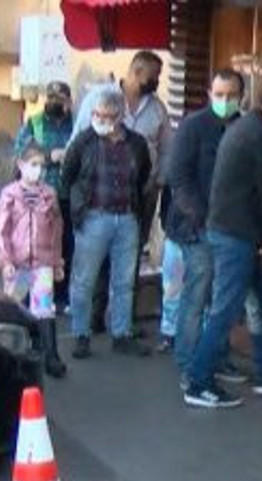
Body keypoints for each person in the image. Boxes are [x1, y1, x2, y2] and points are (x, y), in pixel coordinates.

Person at [182, 76, 262, 408]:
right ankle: (198, 380)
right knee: (226, 309)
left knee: (259, 303)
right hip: (236, 235)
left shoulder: (243, 129)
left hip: (234, 231)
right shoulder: (258, 136)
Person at [165, 68, 256, 389]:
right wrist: (201, 218)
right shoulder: (194, 126)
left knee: (223, 300)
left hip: (230, 227)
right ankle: (189, 359)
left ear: (241, 96)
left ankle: (217, 357)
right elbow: (179, 177)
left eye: (231, 95)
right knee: (197, 294)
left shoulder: (244, 128)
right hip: (197, 226)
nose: (224, 100)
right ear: (209, 93)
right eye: (219, 94)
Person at [75, 51, 171, 335]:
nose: (157, 81)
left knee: (128, 259)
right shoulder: (99, 98)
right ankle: (94, 317)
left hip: (139, 196)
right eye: (154, 76)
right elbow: (78, 142)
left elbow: (166, 149)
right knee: (95, 260)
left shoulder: (157, 109)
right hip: (98, 197)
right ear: (137, 72)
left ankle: (122, 323)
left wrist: (158, 180)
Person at [59, 88, 152, 359]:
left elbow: (143, 176)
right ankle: (81, 334)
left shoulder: (136, 144)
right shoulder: (84, 142)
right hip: (92, 217)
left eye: (107, 115)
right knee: (83, 280)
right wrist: (77, 212)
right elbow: (68, 178)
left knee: (124, 281)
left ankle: (121, 333)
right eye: (97, 114)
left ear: (120, 116)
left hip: (126, 217)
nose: (101, 120)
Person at [0, 143, 66, 378]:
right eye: (33, 165)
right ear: (21, 165)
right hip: (17, 264)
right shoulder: (10, 194)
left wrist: (57, 262)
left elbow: (57, 229)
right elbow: (3, 231)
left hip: (42, 262)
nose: (38, 171)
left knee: (44, 309)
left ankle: (50, 356)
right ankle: (11, 356)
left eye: (42, 166)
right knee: (13, 308)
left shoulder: (49, 194)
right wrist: (5, 260)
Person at [14, 81, 75, 307]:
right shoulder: (35, 122)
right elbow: (22, 151)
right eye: (52, 99)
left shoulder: (75, 122)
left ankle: (62, 296)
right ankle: (35, 297)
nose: (56, 103)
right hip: (39, 196)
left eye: (60, 99)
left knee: (66, 247)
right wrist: (50, 156)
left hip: (67, 196)